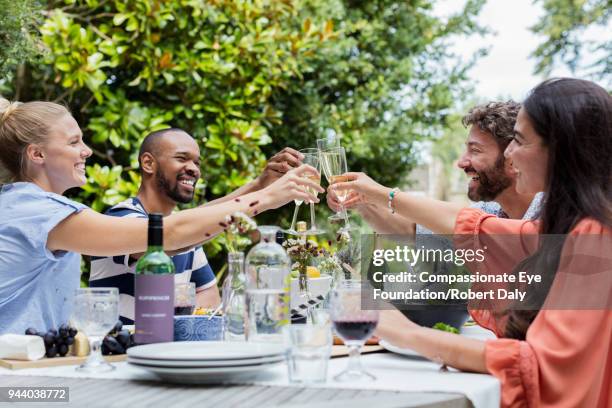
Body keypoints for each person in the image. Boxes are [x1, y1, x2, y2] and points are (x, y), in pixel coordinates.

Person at [331, 78, 611, 407]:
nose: (510, 154)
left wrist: (405, 332)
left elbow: (539, 368)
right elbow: (470, 227)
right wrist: (369, 198)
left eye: (519, 141)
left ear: (561, 151)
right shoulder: (566, 225)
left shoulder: (596, 237)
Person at [0, 98, 323, 335]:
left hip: (32, 365)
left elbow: (181, 225)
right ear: (37, 154)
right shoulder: (34, 212)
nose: (86, 150)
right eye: (74, 142)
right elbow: (165, 234)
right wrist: (266, 197)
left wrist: (256, 188)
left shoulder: (34, 207)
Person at [90, 128, 305, 323]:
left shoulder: (189, 235)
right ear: (148, 163)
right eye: (182, 158)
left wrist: (259, 184)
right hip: (121, 357)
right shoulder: (121, 217)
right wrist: (264, 196)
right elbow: (171, 235)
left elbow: (209, 299)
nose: (193, 169)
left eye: (197, 163)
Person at [327, 101, 542, 235]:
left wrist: (379, 192)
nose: (461, 162)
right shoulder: (494, 211)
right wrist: (363, 201)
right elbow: (411, 230)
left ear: (511, 156)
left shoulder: (553, 215)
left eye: (475, 151)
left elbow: (464, 223)